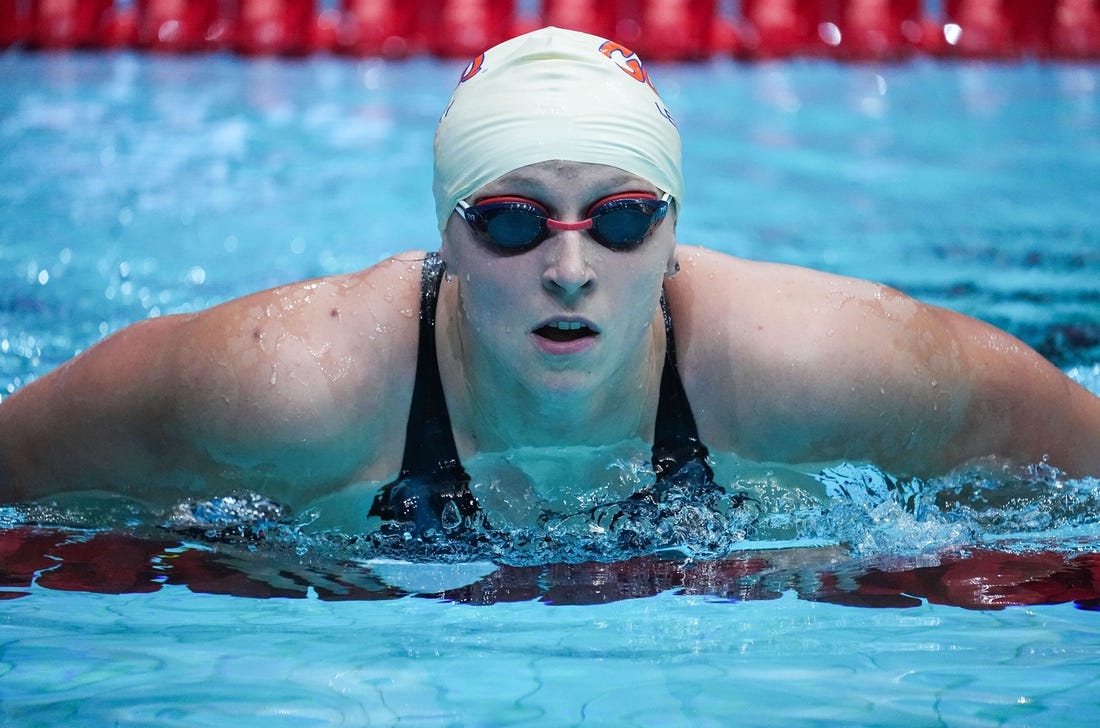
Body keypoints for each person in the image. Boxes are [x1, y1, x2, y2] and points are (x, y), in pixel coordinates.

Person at [1, 27, 1098, 538]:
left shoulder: (816, 363)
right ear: (446, 233)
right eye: (512, 220)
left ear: (673, 237)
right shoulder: (294, 381)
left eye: (619, 220)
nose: (567, 268)